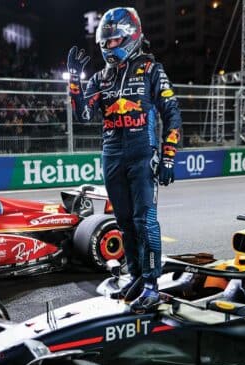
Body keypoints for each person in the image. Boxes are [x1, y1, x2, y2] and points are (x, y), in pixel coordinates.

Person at [68, 7, 182, 313]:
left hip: (142, 152)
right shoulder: (101, 77)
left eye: (114, 41)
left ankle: (151, 284)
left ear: (130, 37)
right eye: (104, 43)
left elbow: (172, 114)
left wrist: (168, 156)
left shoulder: (151, 70)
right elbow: (84, 114)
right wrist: (76, 84)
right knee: (124, 223)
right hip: (112, 153)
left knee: (145, 221)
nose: (108, 48)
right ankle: (135, 276)